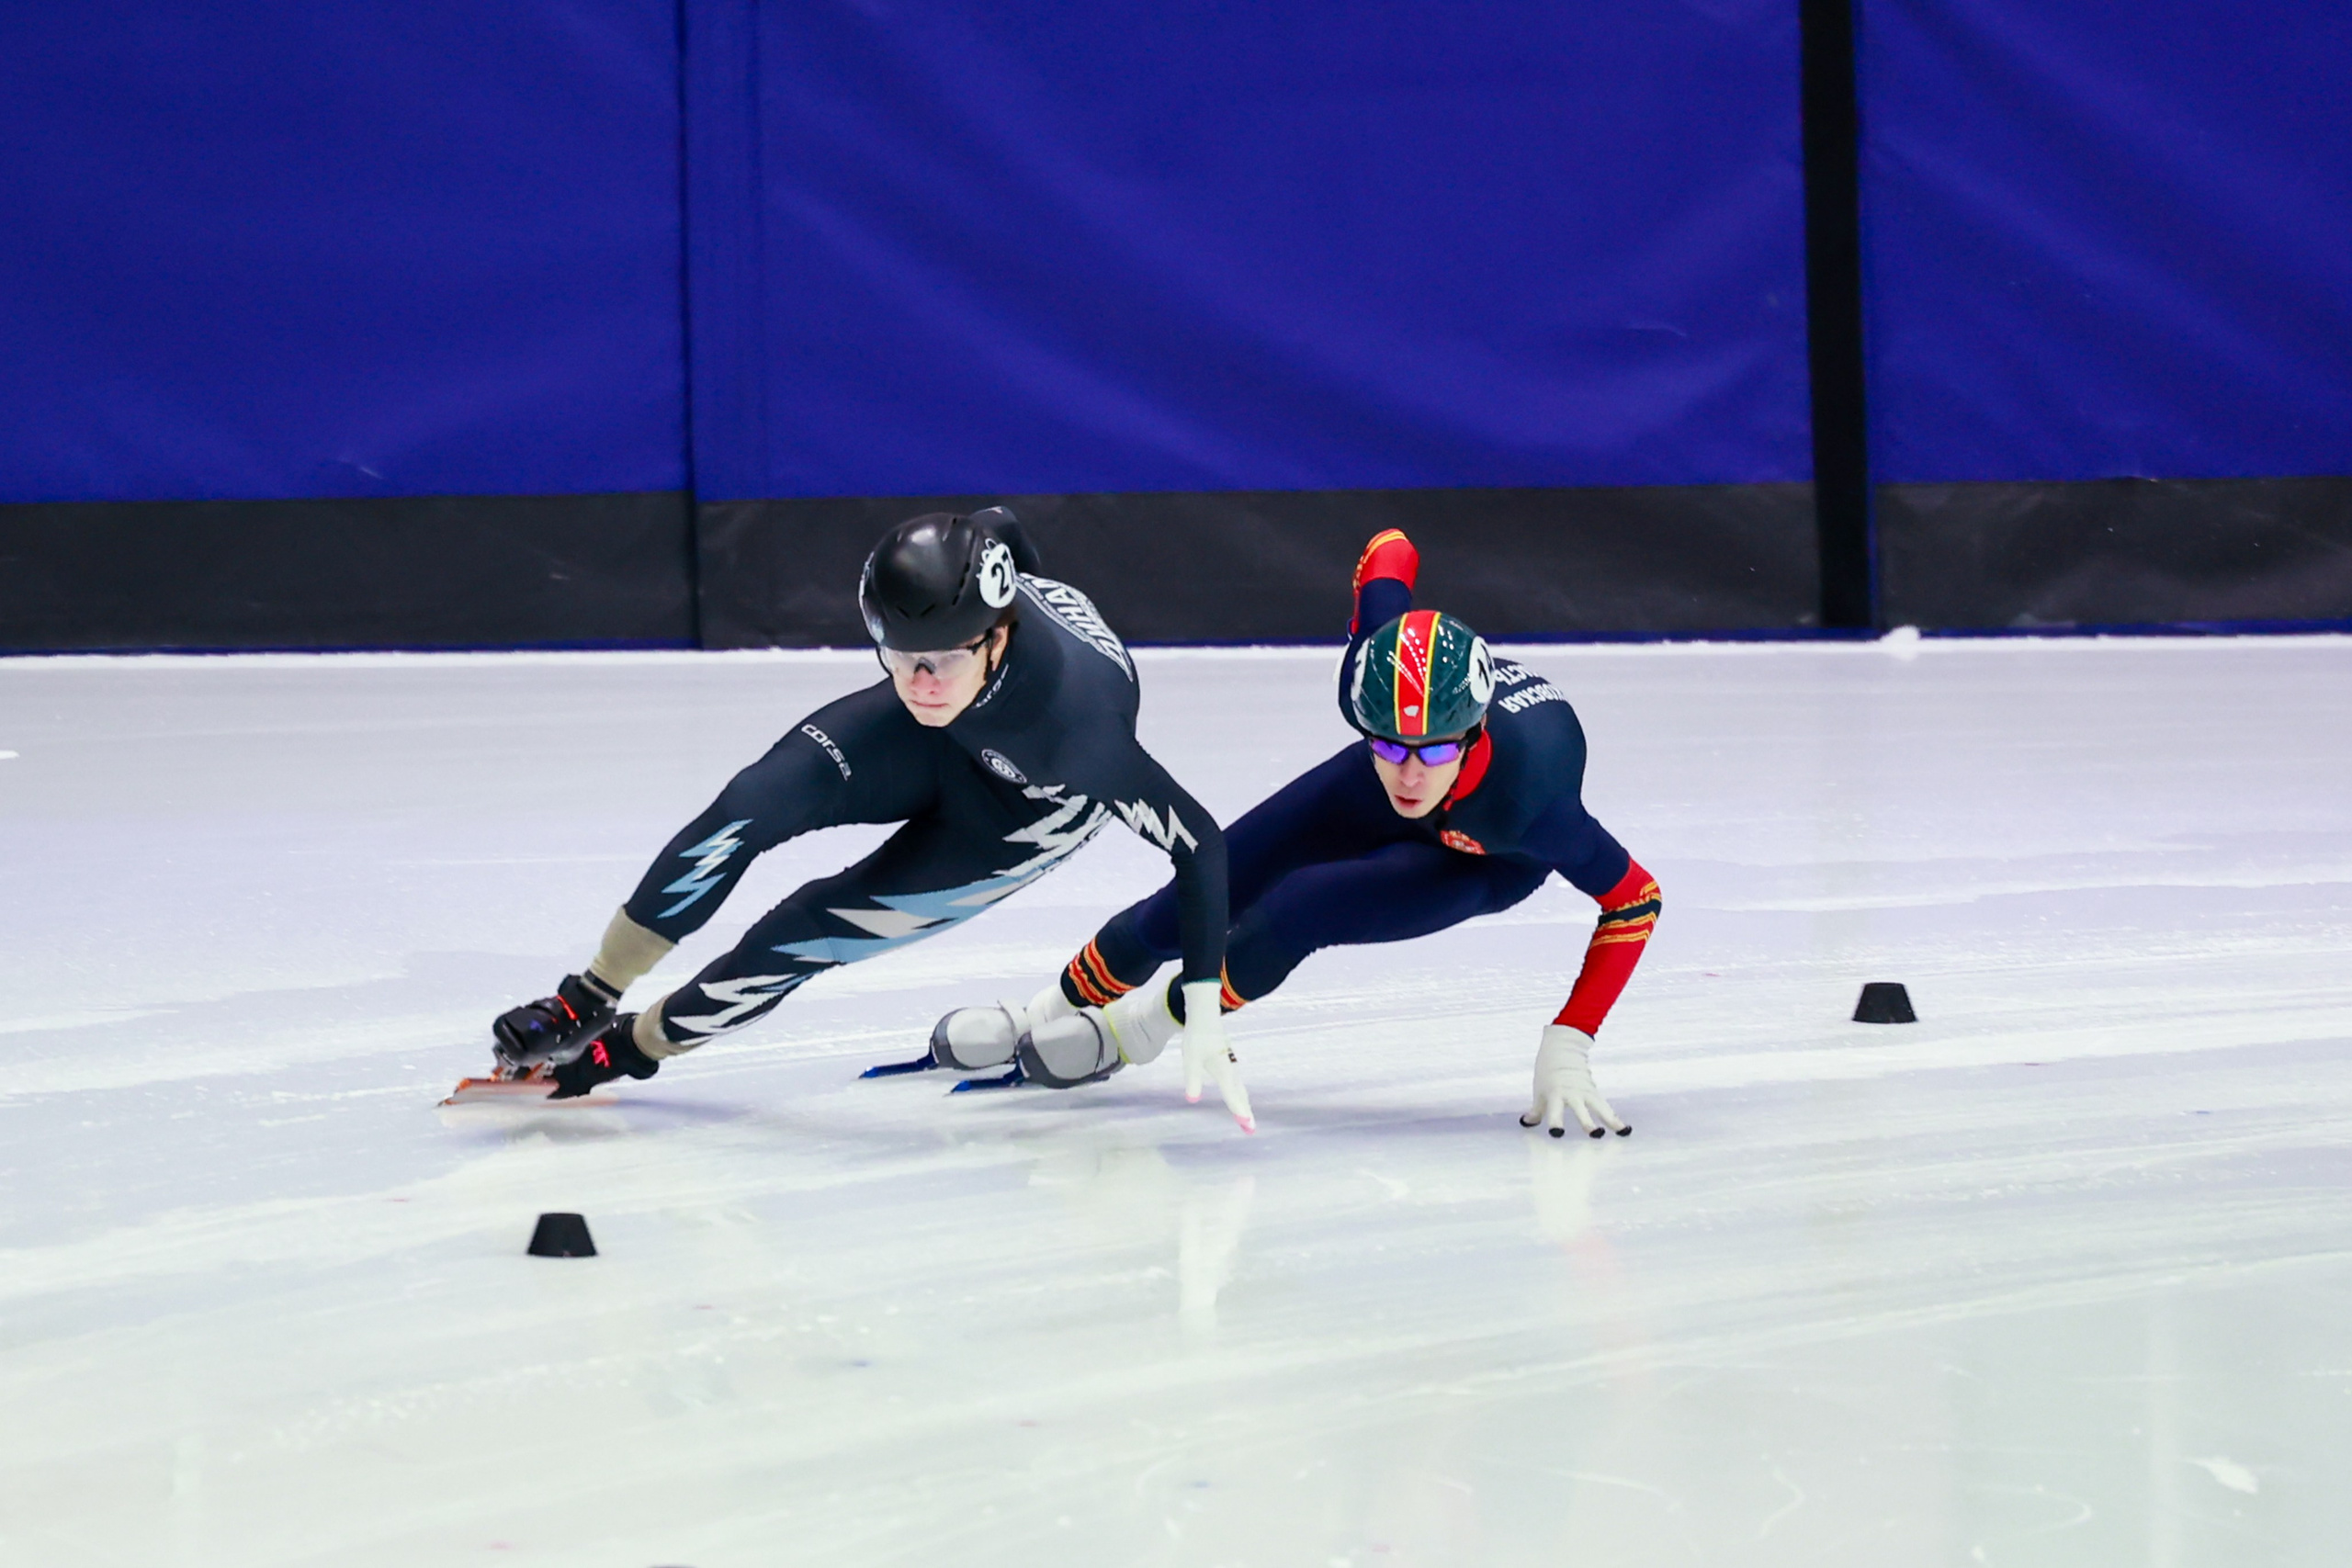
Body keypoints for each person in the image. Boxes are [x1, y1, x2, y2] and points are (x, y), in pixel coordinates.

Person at [478, 507, 1251, 1129]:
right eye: (897, 651)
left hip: (1019, 815)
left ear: (999, 633)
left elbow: (1201, 845)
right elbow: (1004, 525)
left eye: (942, 655)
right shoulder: (943, 655)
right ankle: (586, 995)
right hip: (950, 741)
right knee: (749, 806)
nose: (918, 679)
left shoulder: (1079, 736)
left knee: (801, 929)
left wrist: (1204, 1002)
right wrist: (937, 664)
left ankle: (633, 1045)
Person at [932, 528, 1657, 1137]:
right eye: (1387, 744)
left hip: (1484, 855)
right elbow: (1388, 552)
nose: (1408, 773)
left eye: (1434, 749)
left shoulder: (1532, 805)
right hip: (1374, 793)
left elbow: (1636, 899)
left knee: (1297, 909)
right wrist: (1395, 552)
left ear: (1470, 736)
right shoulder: (1374, 676)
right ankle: (1045, 1012)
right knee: (1193, 893)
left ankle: (1133, 1034)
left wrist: (1571, 1036)